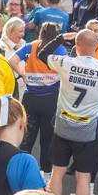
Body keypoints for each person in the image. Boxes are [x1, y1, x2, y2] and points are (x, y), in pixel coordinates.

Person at [40, 28, 98, 195]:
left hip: (62, 127)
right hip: (87, 133)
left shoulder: (66, 63)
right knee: (83, 179)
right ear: (97, 47)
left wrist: (61, 38)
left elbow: (42, 54)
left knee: (57, 173)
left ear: (76, 46)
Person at [17, 23, 67, 174]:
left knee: (26, 137)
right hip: (50, 99)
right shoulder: (60, 49)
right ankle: (46, 173)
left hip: (30, 98)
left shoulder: (30, 46)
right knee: (47, 140)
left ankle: (21, 170)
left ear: (40, 32)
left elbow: (12, 60)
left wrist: (24, 75)